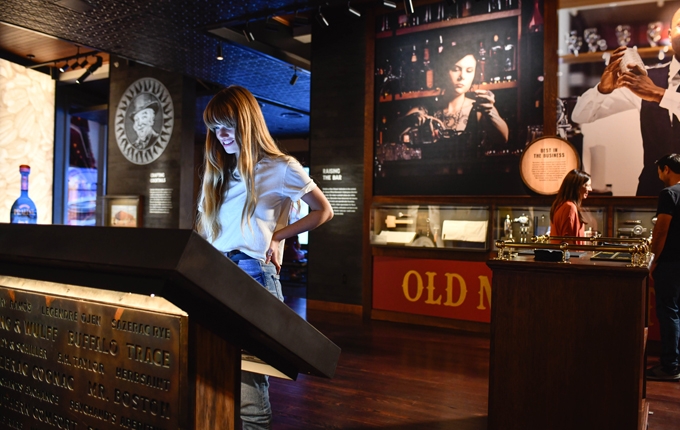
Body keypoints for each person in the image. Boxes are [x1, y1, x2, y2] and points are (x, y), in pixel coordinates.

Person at [196, 85, 334, 428]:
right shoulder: (217, 170)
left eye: (227, 125)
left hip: (251, 275)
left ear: (246, 122)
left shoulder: (282, 167)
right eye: (214, 128)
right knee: (209, 373)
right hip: (212, 275)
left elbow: (324, 211)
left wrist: (277, 236)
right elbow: (207, 231)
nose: (221, 135)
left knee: (248, 384)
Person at [571, 7, 680, 196]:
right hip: (651, 194)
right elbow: (580, 114)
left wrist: (659, 94)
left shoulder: (651, 87)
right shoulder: (646, 79)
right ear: (669, 35)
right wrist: (602, 90)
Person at [396, 44, 509, 146]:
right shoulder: (426, 110)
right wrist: (410, 121)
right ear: (444, 71)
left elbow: (503, 138)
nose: (462, 76)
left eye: (469, 70)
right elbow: (390, 135)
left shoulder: (478, 109)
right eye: (455, 69)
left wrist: (490, 112)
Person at [647, 153, 680, 381]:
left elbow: (661, 232)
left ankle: (670, 366)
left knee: (668, 312)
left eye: (659, 170)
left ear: (665, 169)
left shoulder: (669, 194)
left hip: (670, 263)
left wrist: (651, 261)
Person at [549, 169, 592, 237]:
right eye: (587, 185)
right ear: (576, 186)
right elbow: (568, 240)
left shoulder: (562, 205)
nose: (590, 189)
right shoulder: (569, 207)